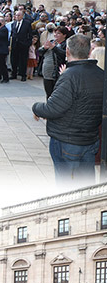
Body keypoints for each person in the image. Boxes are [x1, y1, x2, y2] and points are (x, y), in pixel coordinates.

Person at [32, 33, 103, 180]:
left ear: (67, 51)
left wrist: (36, 107)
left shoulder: (70, 76)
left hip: (68, 140)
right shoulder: (100, 74)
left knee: (65, 186)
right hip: (89, 139)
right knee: (85, 185)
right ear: (89, 52)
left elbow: (53, 108)